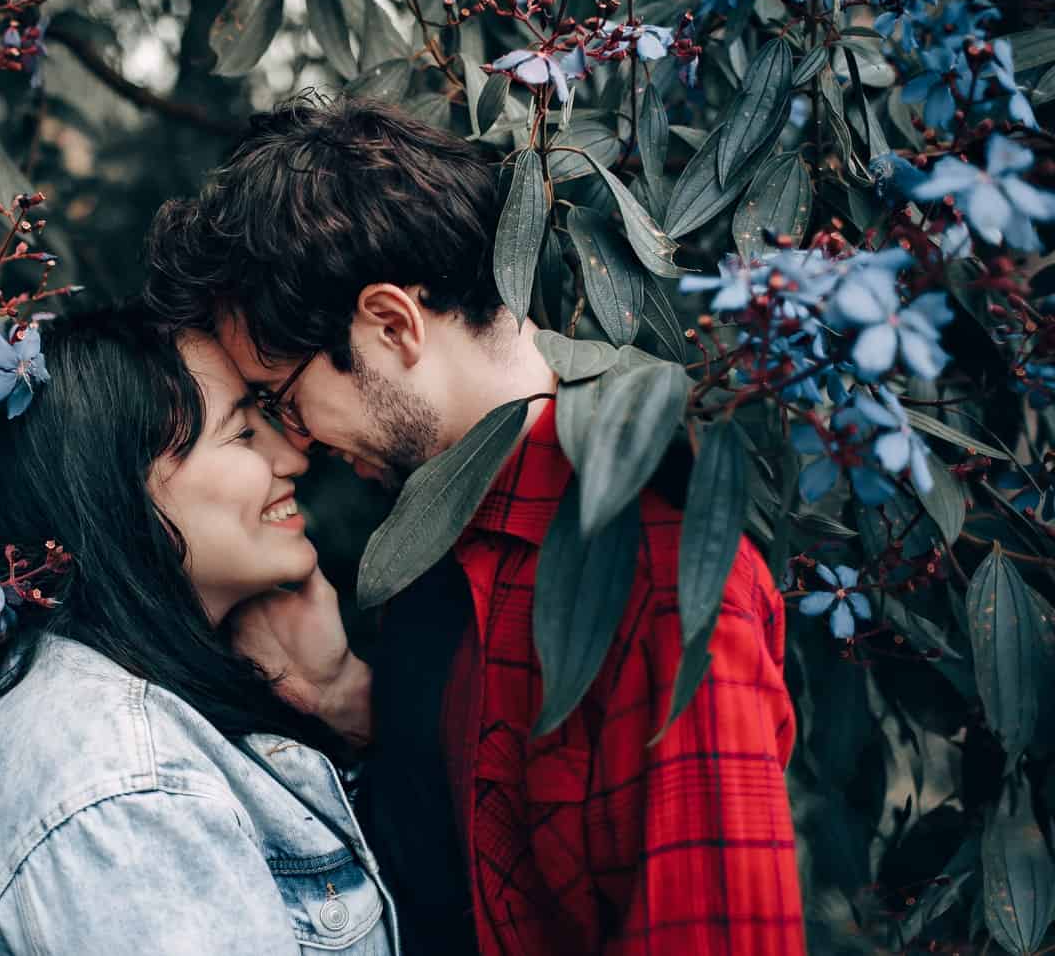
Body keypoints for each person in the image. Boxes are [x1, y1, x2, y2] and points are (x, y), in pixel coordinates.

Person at [144, 95, 806, 955]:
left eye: (283, 396)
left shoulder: (658, 569)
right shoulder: (439, 542)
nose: (295, 442)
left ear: (390, 324)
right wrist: (349, 702)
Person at [0, 305, 396, 955]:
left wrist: (337, 697)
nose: (292, 456)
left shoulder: (147, 715)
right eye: (242, 434)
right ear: (124, 490)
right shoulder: (122, 791)